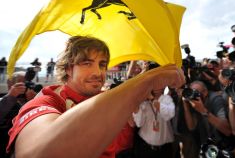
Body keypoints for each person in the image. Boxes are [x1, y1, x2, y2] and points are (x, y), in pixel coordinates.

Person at [6, 36, 185, 158]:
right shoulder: (47, 100)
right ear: (68, 68)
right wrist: (146, 80)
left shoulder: (112, 100)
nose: (97, 72)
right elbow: (35, 153)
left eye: (102, 64)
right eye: (87, 63)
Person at [181, 80, 232, 155]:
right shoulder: (194, 102)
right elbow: (191, 126)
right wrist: (185, 105)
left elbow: (227, 131)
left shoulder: (215, 99)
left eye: (195, 92)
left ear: (205, 92)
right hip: (207, 146)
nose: (192, 95)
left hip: (223, 145)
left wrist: (203, 111)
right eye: (191, 92)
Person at [0, 71, 37, 158]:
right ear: (10, 84)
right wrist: (11, 96)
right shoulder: (4, 100)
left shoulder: (31, 101)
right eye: (21, 83)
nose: (25, 87)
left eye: (26, 84)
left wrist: (33, 102)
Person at [132, 87, 176, 158]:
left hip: (164, 149)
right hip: (146, 148)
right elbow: (139, 123)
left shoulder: (167, 99)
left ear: (164, 86)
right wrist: (136, 105)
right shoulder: (144, 103)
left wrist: (152, 99)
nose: (157, 87)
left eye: (159, 84)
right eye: (155, 84)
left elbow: (169, 114)